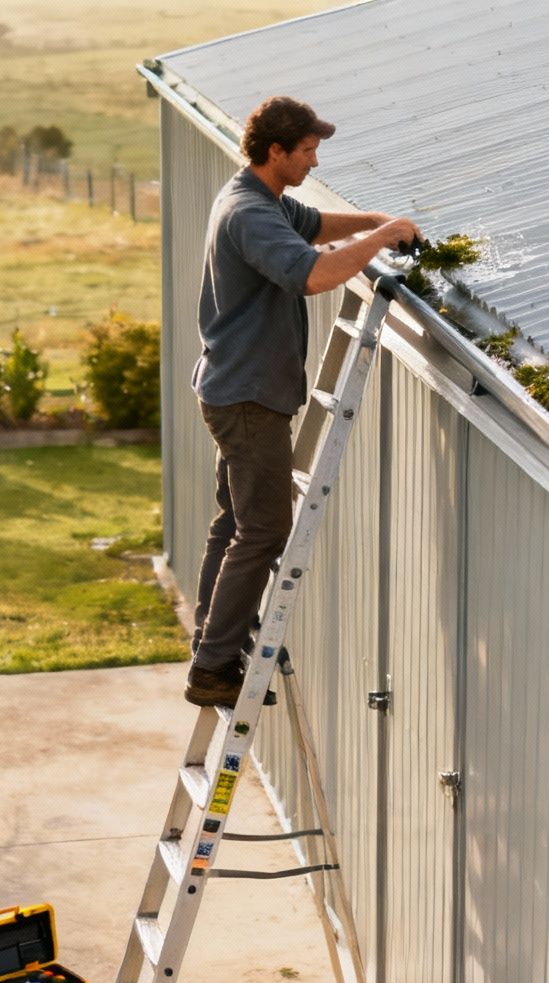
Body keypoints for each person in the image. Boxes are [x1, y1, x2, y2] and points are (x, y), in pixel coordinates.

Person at [184, 95, 421, 709]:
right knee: (264, 531)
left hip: (235, 389)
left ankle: (210, 642)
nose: (314, 161)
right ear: (276, 151)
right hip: (250, 399)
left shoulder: (255, 197)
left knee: (236, 524)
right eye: (308, 151)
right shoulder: (249, 214)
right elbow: (313, 274)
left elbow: (312, 225)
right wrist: (383, 241)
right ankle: (212, 668)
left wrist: (371, 221)